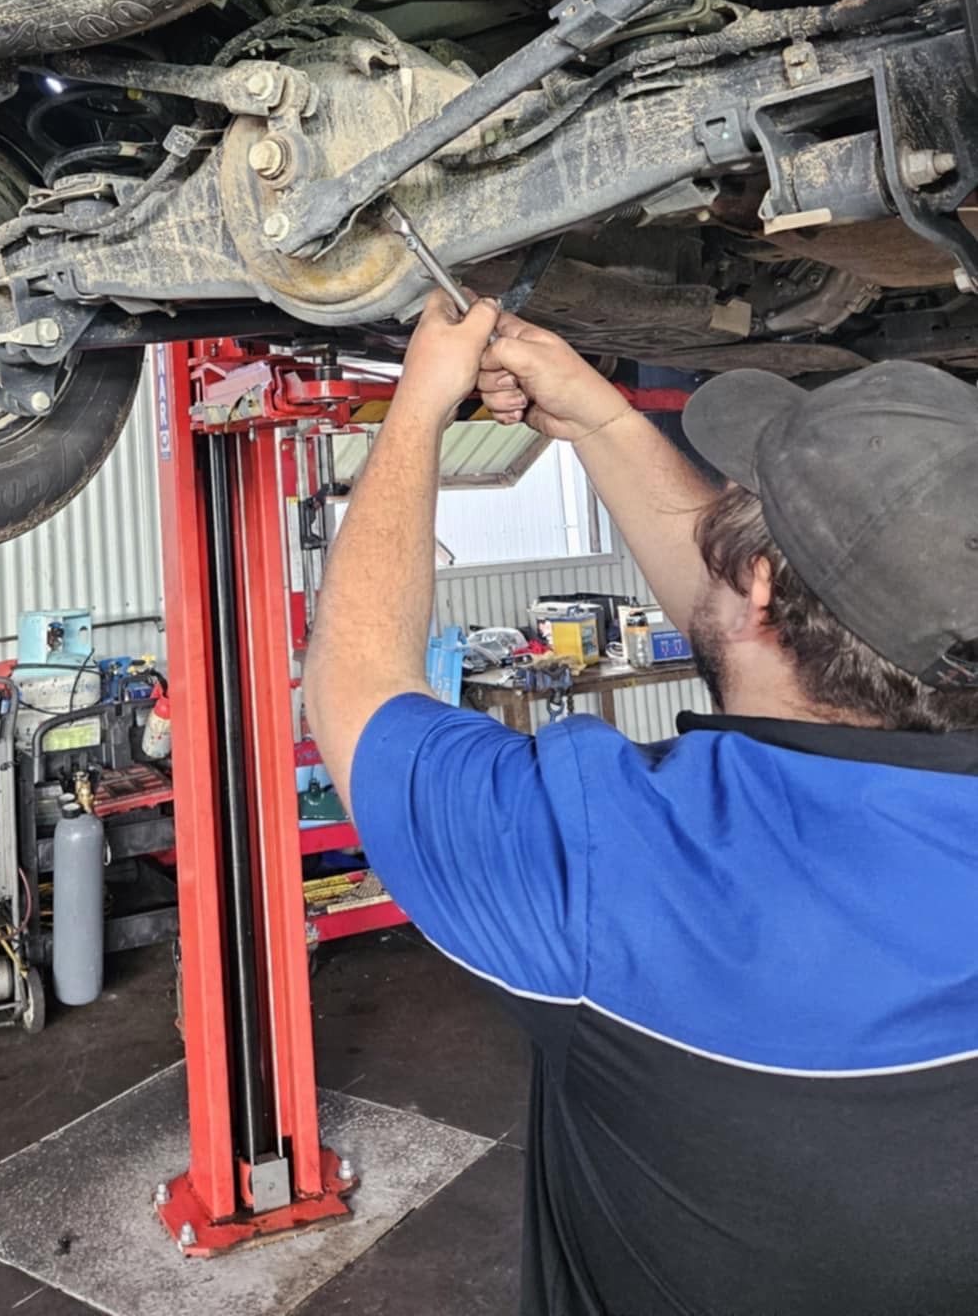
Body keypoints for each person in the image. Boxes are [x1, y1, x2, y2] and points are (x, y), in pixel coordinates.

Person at [303, 291, 978, 1316]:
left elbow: (355, 689)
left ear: (757, 584)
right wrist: (602, 420)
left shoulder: (619, 871)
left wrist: (416, 411)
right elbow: (752, 633)